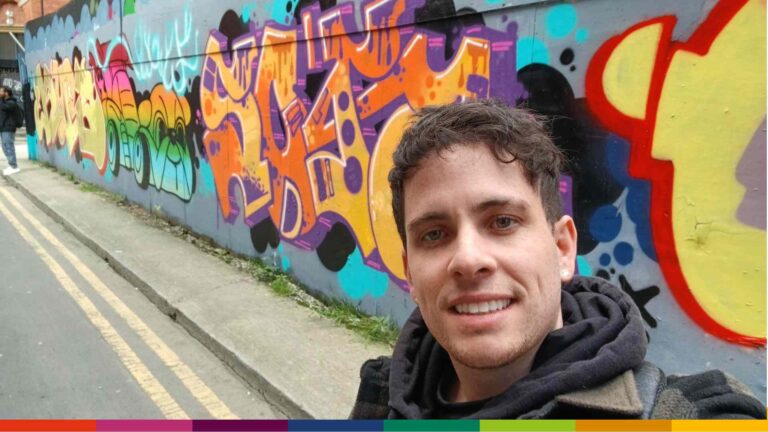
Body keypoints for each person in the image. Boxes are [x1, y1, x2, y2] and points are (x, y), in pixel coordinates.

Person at [350, 99, 764, 419]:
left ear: (563, 249)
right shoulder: (380, 395)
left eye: (503, 222)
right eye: (435, 234)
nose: (468, 259)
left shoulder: (686, 412)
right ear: (409, 273)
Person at [0, 85, 21, 176]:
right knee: (5, 147)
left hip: (8, 128)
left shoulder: (11, 103)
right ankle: (11, 164)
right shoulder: (5, 102)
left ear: (6, 93)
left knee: (9, 146)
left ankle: (14, 166)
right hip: (3, 128)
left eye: (1, 91)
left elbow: (4, 108)